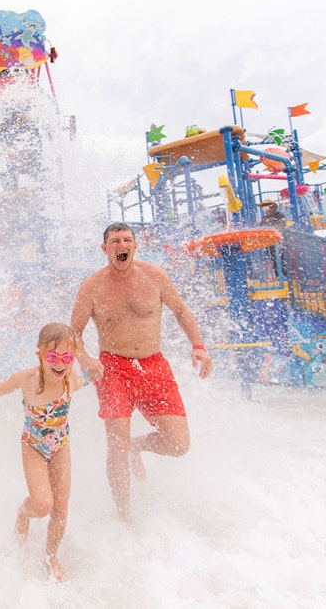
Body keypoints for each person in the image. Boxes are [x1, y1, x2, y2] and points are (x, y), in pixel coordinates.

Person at [70, 222, 213, 520]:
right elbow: (74, 334)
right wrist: (85, 360)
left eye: (126, 240)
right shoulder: (92, 287)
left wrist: (198, 345)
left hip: (154, 366)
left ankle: (137, 447)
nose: (121, 245)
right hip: (113, 369)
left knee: (178, 444)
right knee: (116, 446)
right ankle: (125, 516)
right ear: (105, 248)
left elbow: (181, 311)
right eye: (114, 241)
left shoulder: (155, 276)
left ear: (135, 246)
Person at [0, 323, 84, 582]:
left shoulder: (73, 379)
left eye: (66, 357)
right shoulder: (27, 380)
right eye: (52, 357)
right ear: (40, 354)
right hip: (33, 446)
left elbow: (94, 375)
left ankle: (51, 556)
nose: (59, 364)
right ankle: (22, 513)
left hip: (61, 445)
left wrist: (101, 370)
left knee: (60, 510)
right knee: (42, 504)